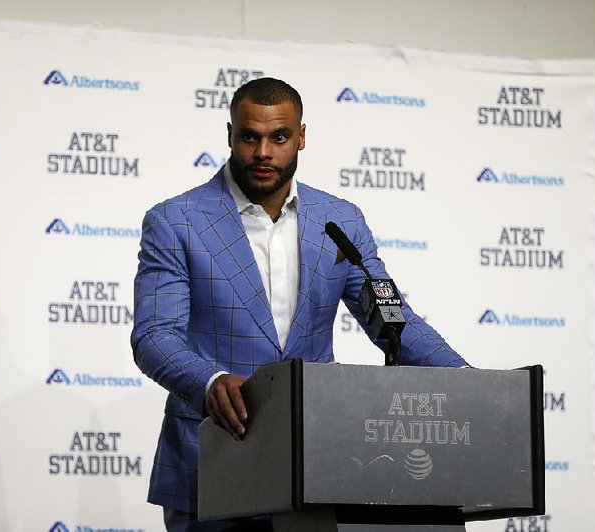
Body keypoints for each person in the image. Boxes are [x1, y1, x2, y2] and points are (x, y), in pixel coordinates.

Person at [131, 77, 469, 531]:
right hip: (210, 461)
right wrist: (209, 381)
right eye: (250, 136)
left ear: (302, 137)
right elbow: (155, 336)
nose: (264, 152)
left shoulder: (340, 220)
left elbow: (393, 320)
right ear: (230, 134)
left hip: (317, 465)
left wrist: (468, 384)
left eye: (279, 137)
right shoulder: (176, 221)